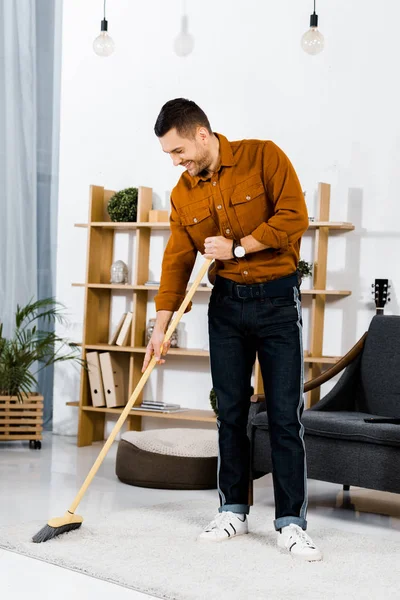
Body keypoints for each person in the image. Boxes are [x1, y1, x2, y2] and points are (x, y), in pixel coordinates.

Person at [142, 98, 322, 562]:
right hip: (225, 309)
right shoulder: (183, 193)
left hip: (278, 303)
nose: (176, 162)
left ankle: (291, 523)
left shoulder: (264, 156)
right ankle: (233, 511)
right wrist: (159, 330)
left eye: (178, 151)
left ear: (202, 134)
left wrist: (239, 248)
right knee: (230, 413)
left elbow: (293, 217)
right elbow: (177, 262)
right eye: (170, 156)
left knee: (284, 415)